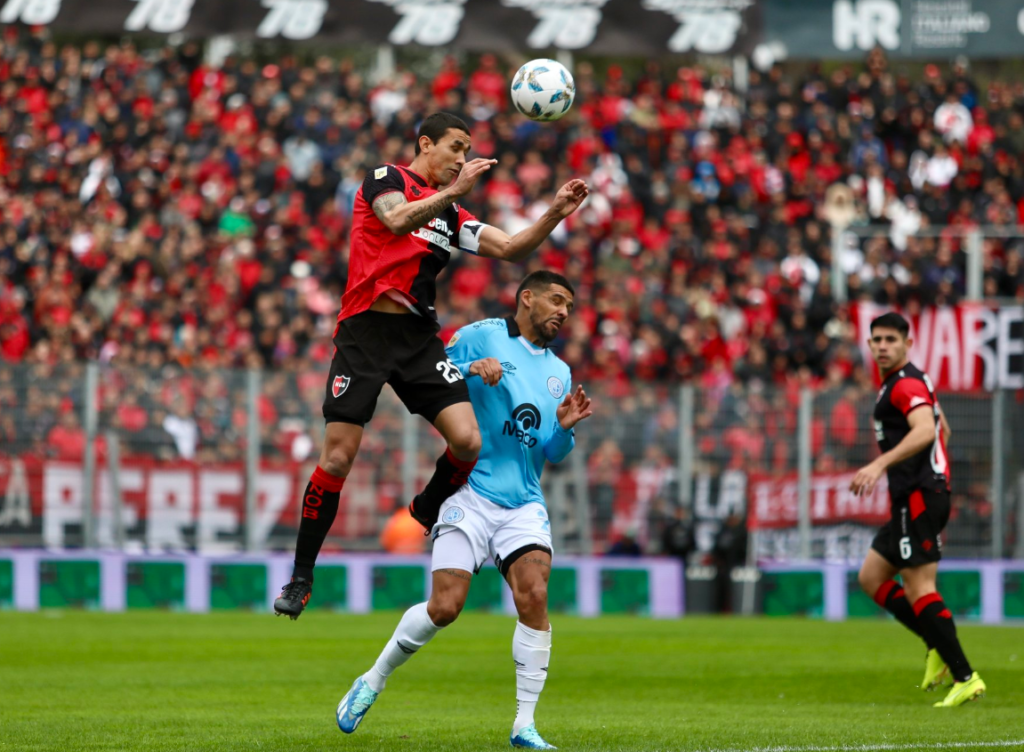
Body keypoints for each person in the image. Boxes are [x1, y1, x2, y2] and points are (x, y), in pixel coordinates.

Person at [273, 114, 589, 618]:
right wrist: (457, 190)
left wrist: (554, 212)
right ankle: (301, 575)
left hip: (419, 339)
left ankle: (425, 506)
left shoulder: (453, 216)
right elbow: (397, 220)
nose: (463, 159)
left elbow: (510, 248)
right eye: (456, 147)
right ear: (426, 144)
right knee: (337, 458)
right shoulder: (386, 179)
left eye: (467, 151)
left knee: (467, 440)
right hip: (367, 333)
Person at [334, 271, 593, 750]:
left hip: (523, 503)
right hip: (468, 491)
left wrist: (564, 428)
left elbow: (553, 453)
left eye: (570, 307)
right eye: (557, 301)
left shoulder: (560, 372)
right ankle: (372, 680)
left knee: (534, 595)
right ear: (527, 297)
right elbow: (425, 375)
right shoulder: (482, 335)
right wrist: (472, 370)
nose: (563, 312)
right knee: (446, 607)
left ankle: (524, 726)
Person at [851, 312, 985, 708]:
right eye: (876, 339)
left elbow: (927, 429)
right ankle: (936, 643)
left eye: (891, 339)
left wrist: (879, 465)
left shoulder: (905, 383)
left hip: (919, 496)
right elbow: (943, 429)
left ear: (907, 344)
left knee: (919, 587)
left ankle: (965, 676)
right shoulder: (909, 381)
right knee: (872, 577)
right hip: (918, 494)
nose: (882, 346)